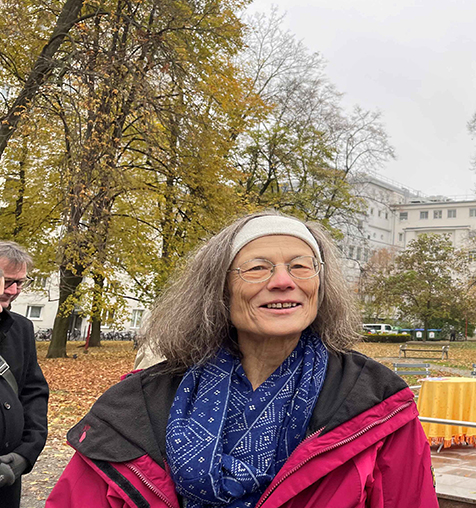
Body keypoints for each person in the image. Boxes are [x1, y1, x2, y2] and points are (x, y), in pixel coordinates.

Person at [47, 212, 439, 508]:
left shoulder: (378, 405)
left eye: (301, 266)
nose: (284, 281)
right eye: (257, 268)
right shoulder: (137, 407)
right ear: (219, 289)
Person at [0, 242, 49, 508]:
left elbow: (33, 392)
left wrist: (25, 454)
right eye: (8, 282)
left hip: (7, 479)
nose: (14, 291)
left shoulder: (22, 329)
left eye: (20, 283)